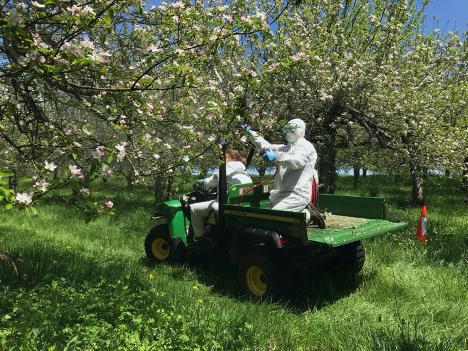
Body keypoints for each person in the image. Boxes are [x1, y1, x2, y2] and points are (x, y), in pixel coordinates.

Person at [245, 118, 318, 216]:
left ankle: (306, 214)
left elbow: (296, 161)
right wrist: (252, 134)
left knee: (271, 217)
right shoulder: (288, 147)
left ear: (300, 130)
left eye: (291, 130)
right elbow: (267, 146)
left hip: (296, 195)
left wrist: (276, 156)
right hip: (281, 194)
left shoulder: (306, 146)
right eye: (287, 129)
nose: (288, 132)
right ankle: (304, 213)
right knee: (264, 217)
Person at [190, 148, 252, 239]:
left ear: (228, 157)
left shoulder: (225, 169)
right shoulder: (244, 172)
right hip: (242, 205)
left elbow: (207, 183)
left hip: (225, 207)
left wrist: (201, 182)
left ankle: (200, 235)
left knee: (194, 208)